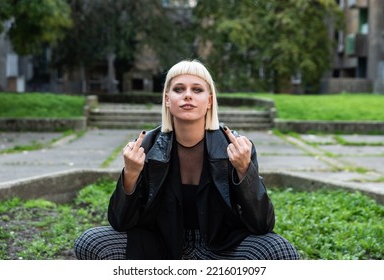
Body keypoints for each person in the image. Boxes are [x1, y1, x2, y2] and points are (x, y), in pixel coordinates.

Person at [74, 59, 299, 260]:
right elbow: (120, 223)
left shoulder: (236, 146)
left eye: (197, 89)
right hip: (160, 247)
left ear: (209, 101)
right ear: (167, 100)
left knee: (280, 251)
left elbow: (262, 225)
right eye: (179, 89)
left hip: (221, 248)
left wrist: (244, 170)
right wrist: (130, 175)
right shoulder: (148, 146)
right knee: (91, 241)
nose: (187, 95)